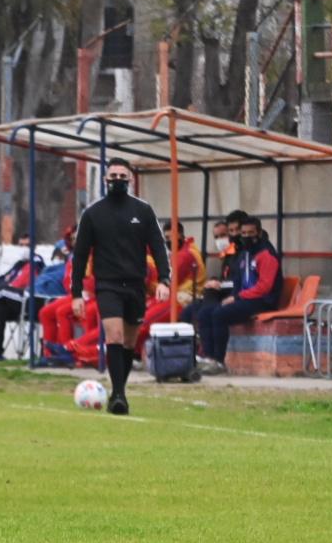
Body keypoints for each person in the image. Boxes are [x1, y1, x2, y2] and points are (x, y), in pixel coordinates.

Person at [70, 158, 171, 414]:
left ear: (130, 179)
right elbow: (80, 255)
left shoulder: (143, 211)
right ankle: (119, 395)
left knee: (128, 342)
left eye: (121, 176)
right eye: (112, 176)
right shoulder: (93, 214)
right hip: (108, 285)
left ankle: (119, 389)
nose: (117, 180)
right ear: (105, 180)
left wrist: (164, 279)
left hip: (136, 285)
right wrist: (76, 293)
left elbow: (158, 246)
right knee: (113, 336)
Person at [195, 216, 282, 375]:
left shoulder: (266, 254)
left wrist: (237, 297)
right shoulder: (245, 254)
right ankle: (208, 358)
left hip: (262, 300)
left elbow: (264, 287)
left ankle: (219, 361)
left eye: (251, 233)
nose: (247, 237)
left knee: (219, 314)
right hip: (245, 298)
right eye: (244, 233)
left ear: (259, 232)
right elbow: (238, 280)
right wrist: (234, 295)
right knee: (204, 313)